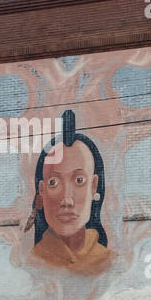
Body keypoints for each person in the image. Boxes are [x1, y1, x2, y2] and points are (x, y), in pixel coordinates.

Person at [26, 109, 111, 275]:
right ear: (41, 191)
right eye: (54, 182)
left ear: (94, 187)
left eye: (79, 180)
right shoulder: (32, 262)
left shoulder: (110, 262)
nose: (67, 200)